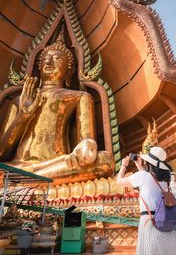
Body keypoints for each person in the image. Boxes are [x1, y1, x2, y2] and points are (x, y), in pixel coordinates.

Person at [0, 31, 114, 179]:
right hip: (18, 166)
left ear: (69, 71)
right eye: (45, 59)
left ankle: (24, 180)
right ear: (38, 67)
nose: (48, 62)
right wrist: (23, 115)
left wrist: (85, 146)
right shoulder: (18, 100)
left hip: (58, 163)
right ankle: (32, 179)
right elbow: (2, 152)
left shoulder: (79, 97)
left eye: (56, 58)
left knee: (105, 160)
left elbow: (86, 145)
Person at [116, 146, 176, 255]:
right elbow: (150, 180)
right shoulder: (164, 182)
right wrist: (139, 165)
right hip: (164, 223)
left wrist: (123, 165)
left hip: (149, 223)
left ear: (149, 163)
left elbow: (119, 182)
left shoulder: (143, 176)